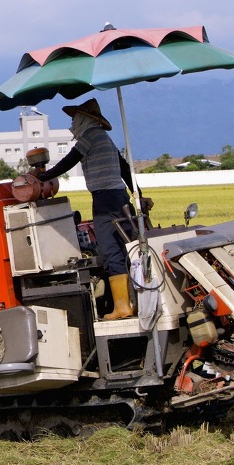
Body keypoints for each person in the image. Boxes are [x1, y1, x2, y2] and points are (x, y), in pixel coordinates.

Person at [37, 98, 145, 320]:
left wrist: (44, 176)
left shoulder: (89, 137)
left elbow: (70, 160)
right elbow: (124, 168)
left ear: (84, 119)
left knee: (109, 248)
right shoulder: (105, 137)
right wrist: (138, 195)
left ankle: (122, 307)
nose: (73, 123)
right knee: (126, 245)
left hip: (104, 199)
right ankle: (132, 301)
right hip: (120, 196)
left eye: (75, 118)